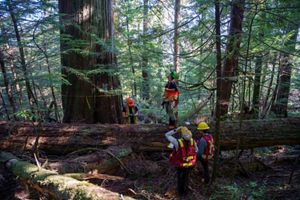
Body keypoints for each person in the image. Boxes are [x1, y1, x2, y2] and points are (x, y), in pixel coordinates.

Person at [165, 126, 198, 196]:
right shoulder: (193, 141)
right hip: (189, 165)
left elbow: (167, 135)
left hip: (180, 165)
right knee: (186, 178)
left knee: (180, 179)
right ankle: (185, 193)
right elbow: (196, 150)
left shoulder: (177, 142)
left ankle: (181, 194)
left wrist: (176, 130)